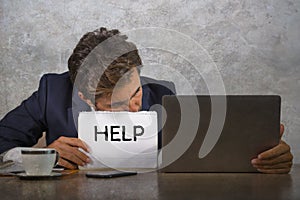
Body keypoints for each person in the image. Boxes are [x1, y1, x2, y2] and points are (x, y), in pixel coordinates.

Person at [0, 27, 293, 173]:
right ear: (83, 96)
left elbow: (199, 158)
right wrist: (41, 158)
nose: (135, 107)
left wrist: (261, 157)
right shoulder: (52, 91)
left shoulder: (162, 97)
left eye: (136, 92)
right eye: (116, 105)